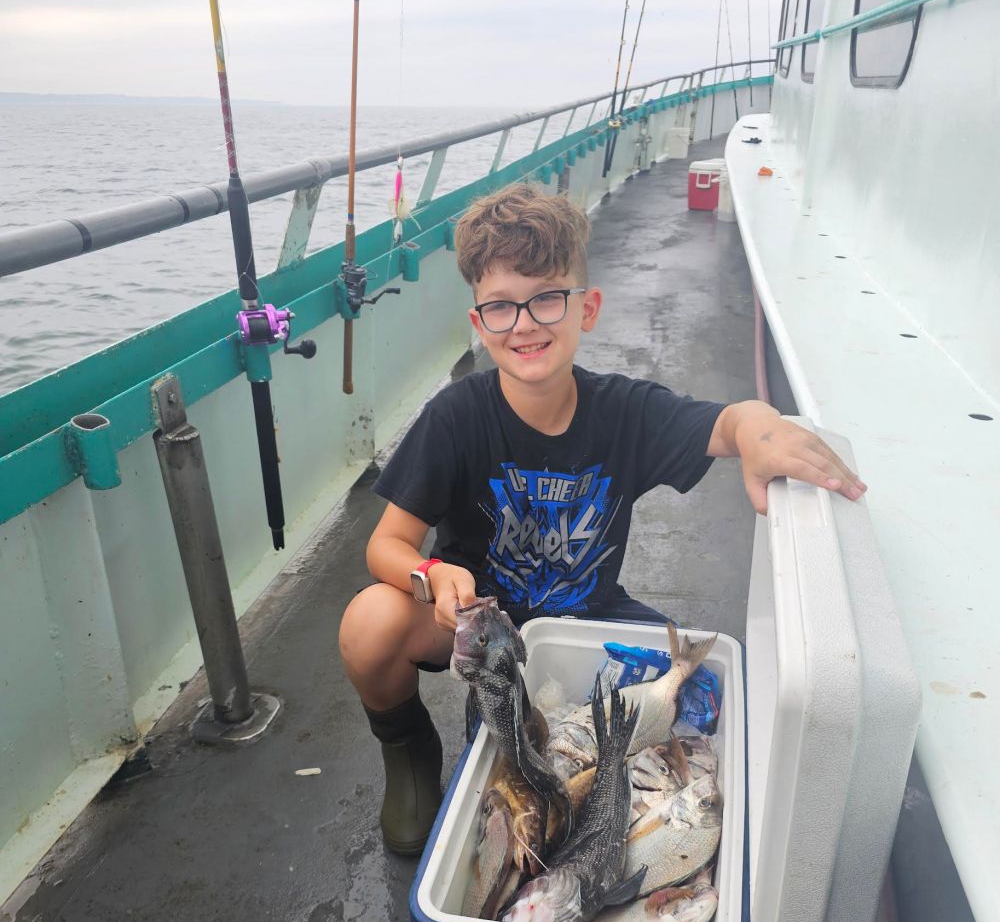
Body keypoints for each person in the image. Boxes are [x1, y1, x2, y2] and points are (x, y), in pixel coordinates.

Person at [338, 182, 865, 855]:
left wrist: (760, 425)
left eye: (546, 299)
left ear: (586, 308)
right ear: (478, 323)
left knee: (704, 690)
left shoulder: (624, 411)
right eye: (500, 306)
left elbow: (727, 423)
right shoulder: (455, 417)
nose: (524, 323)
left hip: (589, 615)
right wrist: (434, 575)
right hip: (481, 629)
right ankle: (409, 754)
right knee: (368, 622)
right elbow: (388, 544)